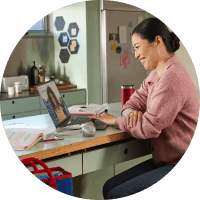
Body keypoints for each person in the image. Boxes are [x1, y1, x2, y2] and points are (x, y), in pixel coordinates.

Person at [90, 18, 199, 199]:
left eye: (137, 47)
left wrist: (117, 121)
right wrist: (132, 114)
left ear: (157, 41)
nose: (136, 55)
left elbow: (148, 129)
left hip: (178, 162)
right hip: (163, 161)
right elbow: (132, 103)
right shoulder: (156, 75)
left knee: (116, 194)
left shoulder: (171, 78)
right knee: (109, 187)